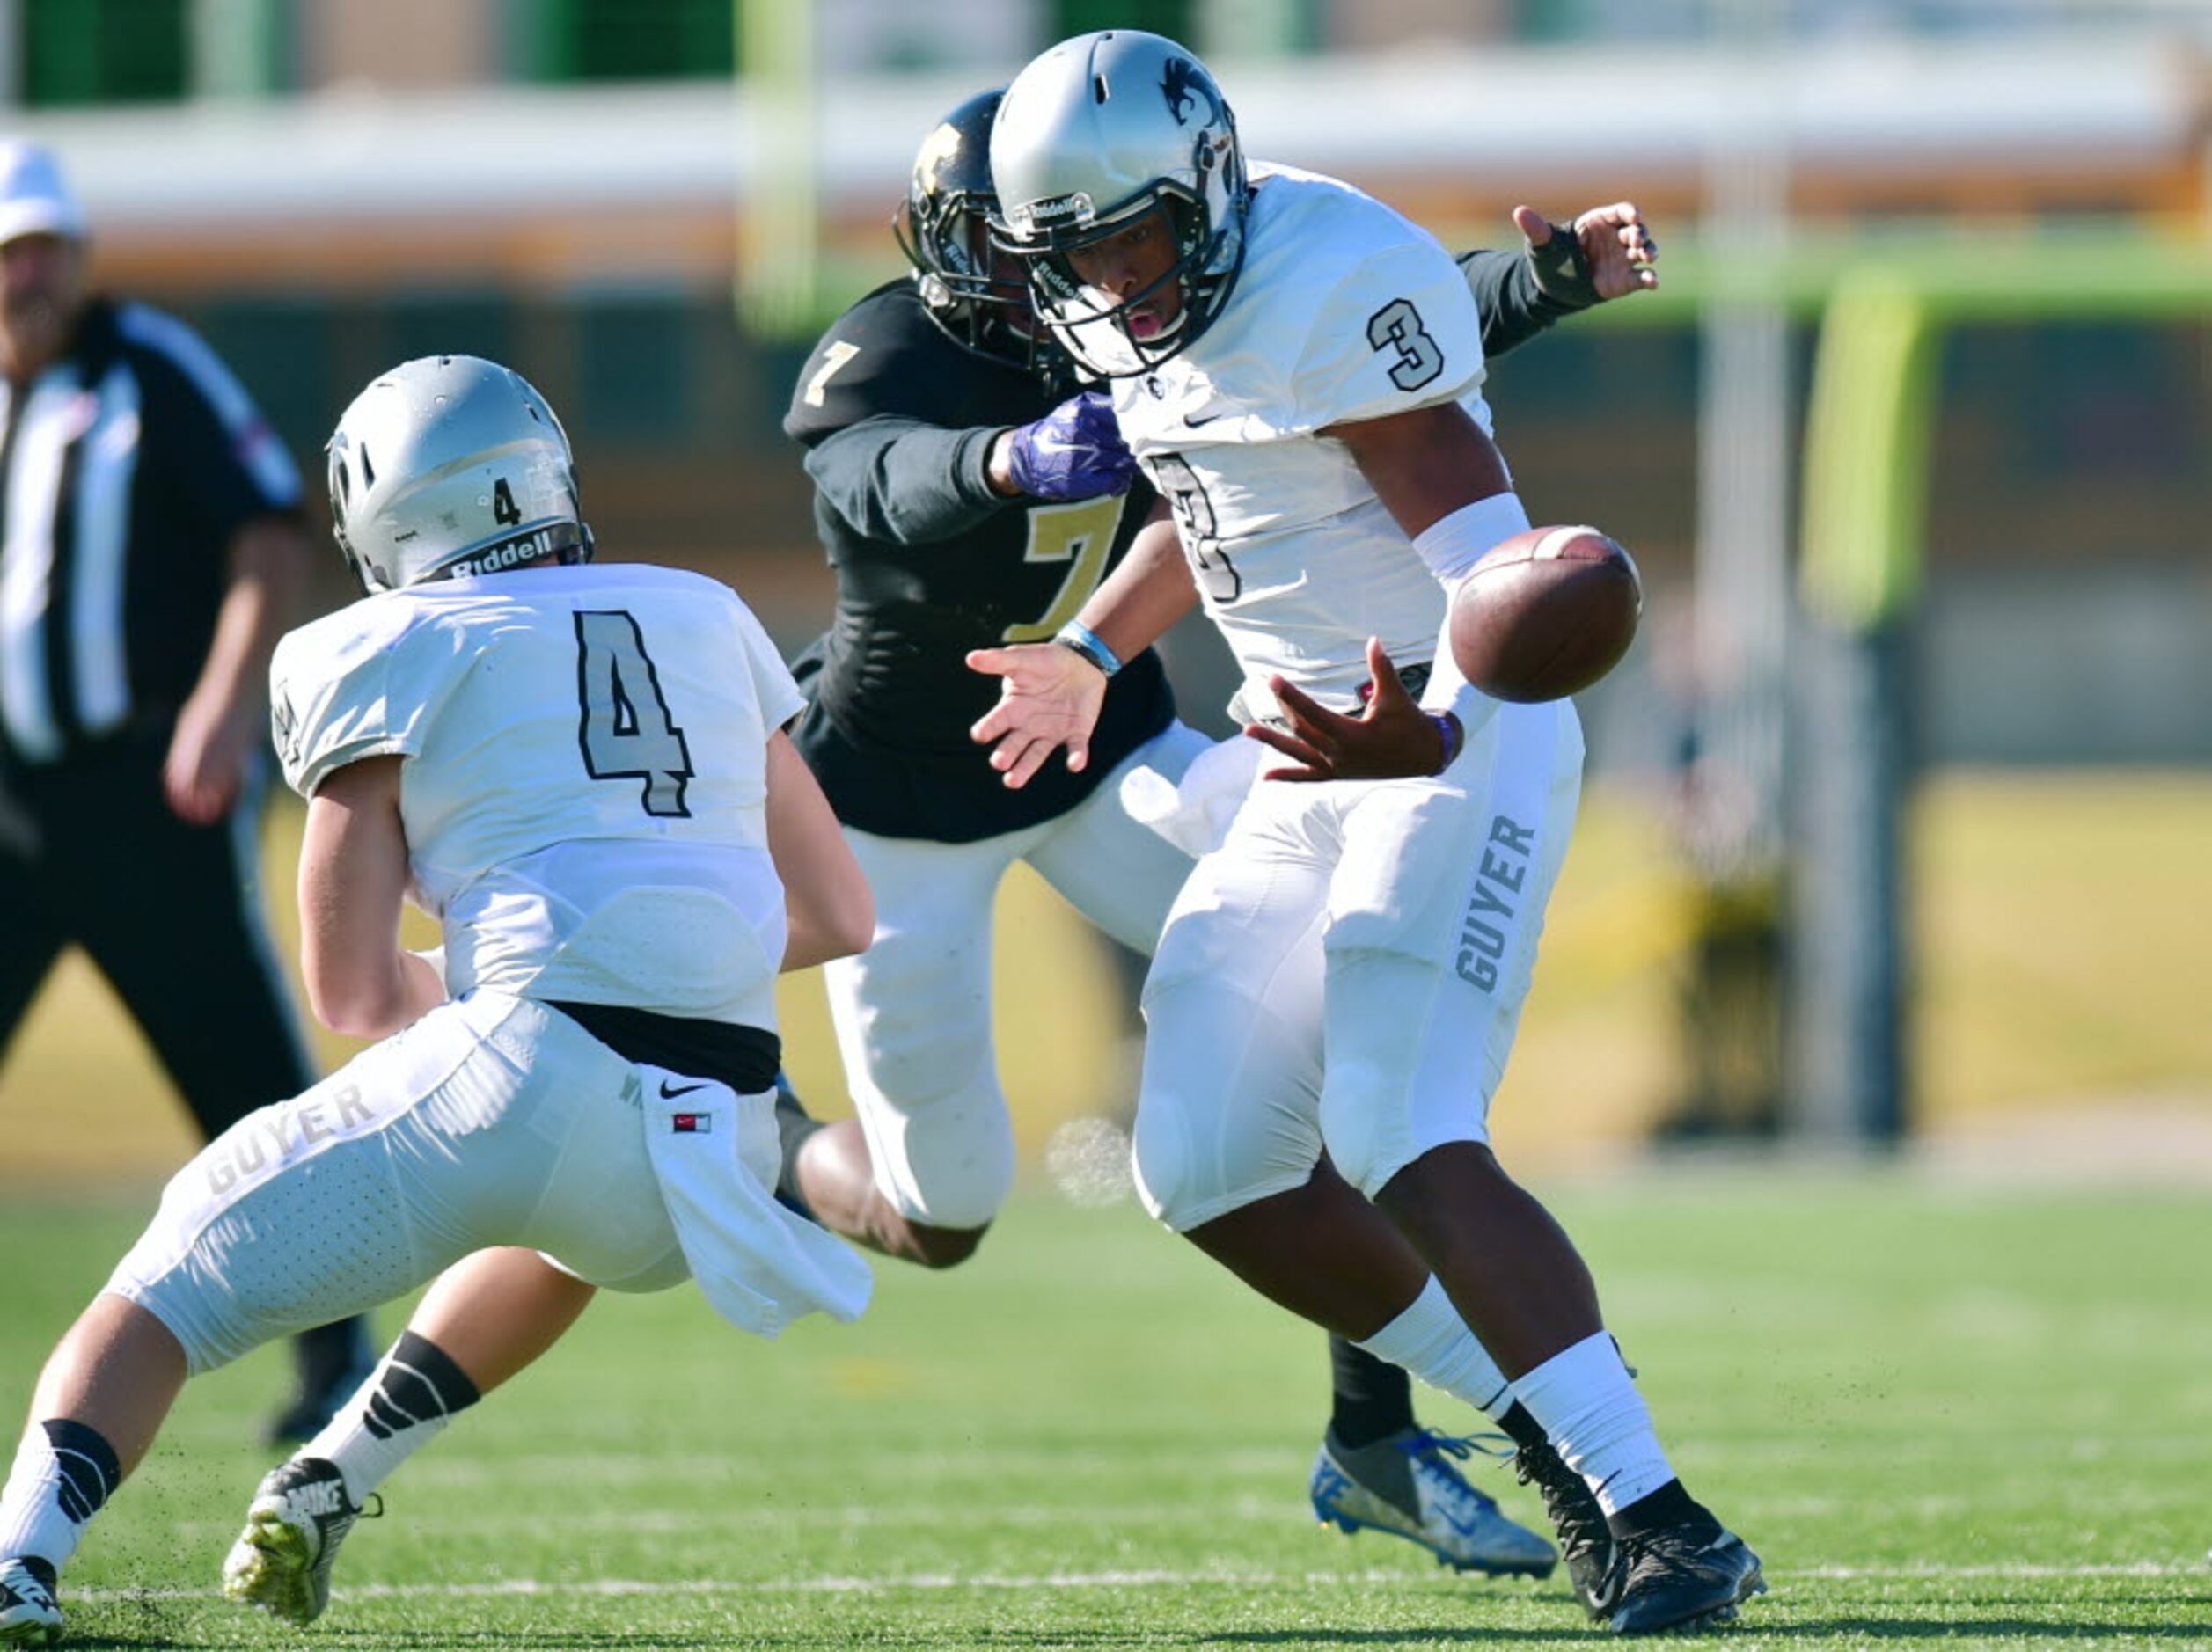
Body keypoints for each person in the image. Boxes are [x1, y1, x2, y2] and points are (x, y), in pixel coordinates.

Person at [770, 90, 1660, 1597]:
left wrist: (1539, 282)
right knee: (954, 1206)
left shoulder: (1164, 288)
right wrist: (1003, 465)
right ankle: (772, 1149)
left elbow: (1359, 349)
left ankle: (1407, 1426)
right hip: (913, 797)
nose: (1064, 281)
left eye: (1087, 242)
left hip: (1108, 747)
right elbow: (869, 473)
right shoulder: (907, 349)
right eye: (1025, 249)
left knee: (1322, 1075)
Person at [971, 32, 1762, 1637]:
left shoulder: (1333, 269)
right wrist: (1096, 650)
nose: (1112, 280)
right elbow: (1214, 503)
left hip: (1455, 733)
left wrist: (1440, 731)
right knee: (1199, 1164)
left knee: (1401, 1121)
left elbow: (1496, 566)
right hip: (1300, 749)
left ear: (1200, 190)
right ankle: (1553, 1423)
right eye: (1074, 254)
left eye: (1128, 238)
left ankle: (1660, 1517)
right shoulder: (1132, 315)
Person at [0, 355, 875, 1647]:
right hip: (716, 1141)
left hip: (523, 1072)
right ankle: (330, 1476)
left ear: (390, 517)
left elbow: (351, 992)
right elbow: (839, 915)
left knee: (167, 1276)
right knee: (558, 1215)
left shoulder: (384, 644)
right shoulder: (702, 609)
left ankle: (19, 1560)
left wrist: (508, 989)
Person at [0, 138, 376, 1446]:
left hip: (143, 792)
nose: (27, 273)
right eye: (8, 249)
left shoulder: (150, 366)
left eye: (44, 245)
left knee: (241, 1079)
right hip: (8, 802)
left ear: (78, 253)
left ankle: (340, 1346)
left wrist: (223, 707)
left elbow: (269, 531)